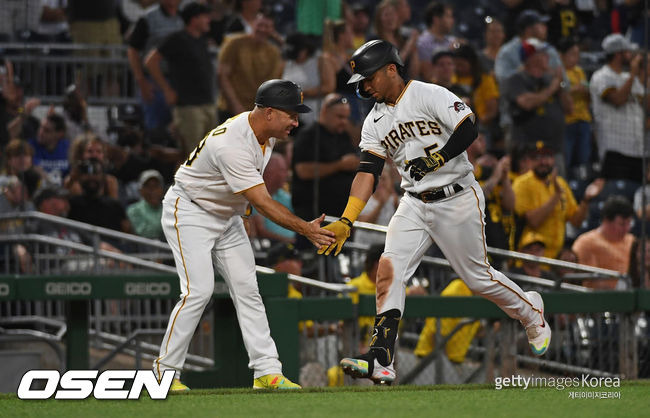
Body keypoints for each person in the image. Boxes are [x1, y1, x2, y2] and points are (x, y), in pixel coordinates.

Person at [319, 40, 552, 386]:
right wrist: (347, 219)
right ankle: (381, 357)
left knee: (477, 278)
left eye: (368, 79)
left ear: (391, 69)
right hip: (413, 202)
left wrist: (437, 158)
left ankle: (531, 311)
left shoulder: (428, 93)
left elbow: (468, 128)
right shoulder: (374, 121)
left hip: (457, 197)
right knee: (389, 270)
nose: (364, 87)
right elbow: (367, 172)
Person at [153, 79, 335, 391]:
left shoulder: (267, 134)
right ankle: (164, 373)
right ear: (268, 112)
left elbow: (249, 194)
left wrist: (244, 214)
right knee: (198, 291)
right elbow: (264, 201)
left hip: (226, 215)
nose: (296, 121)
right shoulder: (232, 144)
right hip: (191, 210)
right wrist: (305, 228)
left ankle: (266, 371)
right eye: (291, 114)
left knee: (248, 289)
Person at [145, 2, 217, 157]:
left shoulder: (201, 40)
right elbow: (151, 61)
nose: (208, 20)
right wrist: (166, 89)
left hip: (207, 103)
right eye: (205, 17)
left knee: (211, 154)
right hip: (188, 107)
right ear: (194, 19)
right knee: (194, 156)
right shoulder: (177, 39)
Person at [512, 141, 603, 259]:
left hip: (556, 259)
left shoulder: (561, 183)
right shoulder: (522, 183)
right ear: (530, 161)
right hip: (531, 258)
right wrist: (556, 196)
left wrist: (586, 199)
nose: (543, 162)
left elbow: (576, 221)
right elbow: (533, 221)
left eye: (548, 157)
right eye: (538, 158)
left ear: (553, 160)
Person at [291, 93, 359, 249]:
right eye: (339, 117)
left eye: (346, 118)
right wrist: (339, 165)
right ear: (324, 112)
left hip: (340, 218)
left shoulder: (342, 136)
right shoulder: (309, 135)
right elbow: (303, 170)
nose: (343, 122)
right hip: (313, 218)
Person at [589, 33, 646, 182]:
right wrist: (633, 74)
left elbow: (646, 104)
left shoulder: (628, 78)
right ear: (618, 54)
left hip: (637, 149)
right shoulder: (602, 76)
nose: (632, 56)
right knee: (616, 195)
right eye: (628, 52)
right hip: (614, 150)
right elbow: (618, 99)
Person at [127, 0, 184, 131]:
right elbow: (132, 50)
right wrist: (141, 82)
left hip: (179, 83)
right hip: (154, 83)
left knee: (180, 131)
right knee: (155, 131)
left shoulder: (184, 17)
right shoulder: (148, 18)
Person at [217, 11, 283, 123]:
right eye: (260, 25)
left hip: (255, 114)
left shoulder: (274, 52)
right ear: (253, 24)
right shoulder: (234, 43)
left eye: (267, 26)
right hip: (230, 111)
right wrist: (236, 107)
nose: (262, 29)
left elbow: (271, 86)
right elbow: (222, 75)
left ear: (272, 30)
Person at [572, 196, 635, 290]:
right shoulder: (586, 243)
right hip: (602, 298)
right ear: (606, 221)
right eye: (622, 224)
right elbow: (588, 281)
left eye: (629, 223)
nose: (627, 228)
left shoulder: (632, 240)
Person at [558, 37, 592, 179]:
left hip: (583, 119)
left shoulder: (579, 71)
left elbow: (588, 95)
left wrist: (586, 91)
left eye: (578, 54)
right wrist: (573, 90)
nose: (576, 58)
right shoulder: (559, 72)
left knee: (583, 159)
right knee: (567, 158)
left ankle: (581, 186)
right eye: (572, 54)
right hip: (567, 122)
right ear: (562, 55)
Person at [417, 2, 458, 81]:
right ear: (436, 19)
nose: (452, 21)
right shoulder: (422, 43)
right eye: (448, 16)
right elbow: (428, 76)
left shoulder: (452, 41)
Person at [126, 169, 165, 241]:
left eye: (156, 186)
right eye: (148, 187)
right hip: (143, 249)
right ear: (141, 190)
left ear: (161, 190)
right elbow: (144, 232)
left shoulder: (168, 209)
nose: (153, 191)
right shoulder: (133, 210)